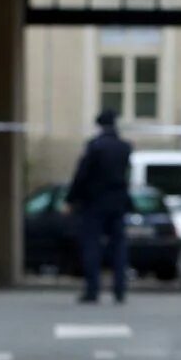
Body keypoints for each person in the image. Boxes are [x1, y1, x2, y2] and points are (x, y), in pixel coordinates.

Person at [65, 107, 134, 304]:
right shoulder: (124, 147)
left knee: (92, 246)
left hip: (94, 203)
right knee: (119, 247)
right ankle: (119, 290)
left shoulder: (95, 147)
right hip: (118, 202)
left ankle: (92, 289)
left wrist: (71, 199)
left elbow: (82, 175)